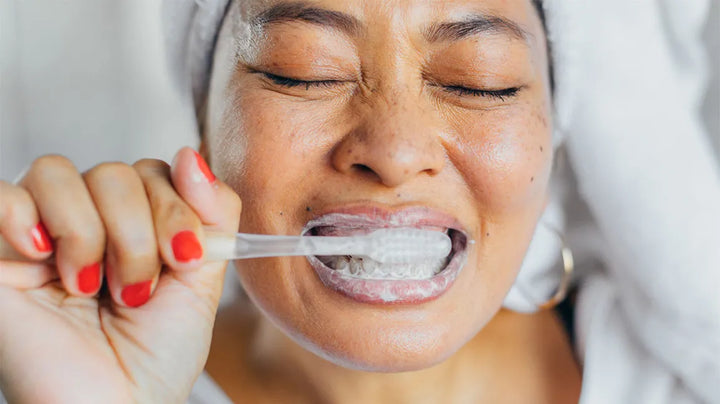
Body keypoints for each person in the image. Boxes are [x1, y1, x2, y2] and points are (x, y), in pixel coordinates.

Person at [1, 1, 718, 403]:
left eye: (481, 81)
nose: (396, 148)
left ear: (556, 135)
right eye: (303, 72)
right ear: (205, 118)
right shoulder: (90, 375)